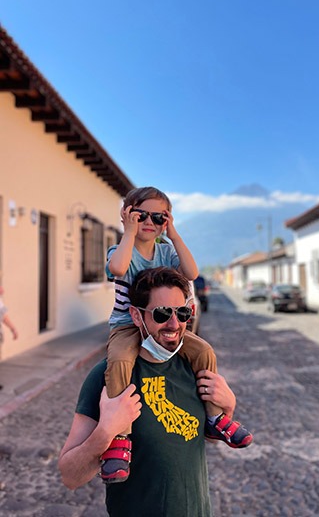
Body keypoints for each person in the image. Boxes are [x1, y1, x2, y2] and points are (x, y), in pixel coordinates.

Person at [59, 267, 242, 516]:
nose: (174, 323)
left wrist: (228, 407)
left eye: (182, 312)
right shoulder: (106, 377)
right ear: (136, 316)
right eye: (162, 313)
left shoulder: (194, 368)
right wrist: (106, 432)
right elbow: (70, 476)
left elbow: (200, 436)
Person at [100, 187, 252, 484]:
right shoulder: (121, 250)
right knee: (119, 360)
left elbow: (192, 272)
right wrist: (128, 231)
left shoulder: (166, 251)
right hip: (127, 325)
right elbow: (117, 267)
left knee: (204, 351)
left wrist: (174, 233)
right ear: (127, 214)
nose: (149, 221)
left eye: (159, 216)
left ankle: (214, 417)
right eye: (141, 214)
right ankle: (119, 437)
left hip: (164, 324)